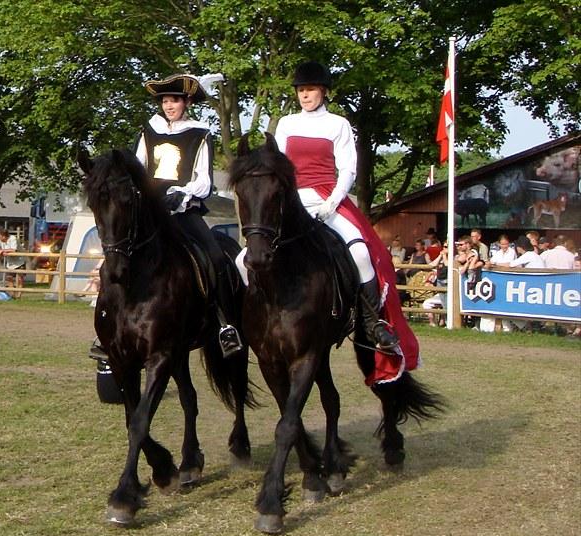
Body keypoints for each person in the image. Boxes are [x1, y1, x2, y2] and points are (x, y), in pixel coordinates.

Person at [99, 72, 242, 359]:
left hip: (183, 211)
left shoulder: (199, 134)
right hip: (151, 214)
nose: (168, 105)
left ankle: (225, 325)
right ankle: (106, 327)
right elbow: (136, 169)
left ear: (186, 102)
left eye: (174, 100)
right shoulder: (148, 131)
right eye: (165, 100)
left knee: (215, 257)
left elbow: (204, 178)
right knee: (116, 257)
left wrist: (183, 192)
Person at [270, 61, 404, 351]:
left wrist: (331, 204)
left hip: (327, 199)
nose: (305, 96)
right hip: (293, 202)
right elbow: (278, 166)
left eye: (311, 90)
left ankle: (372, 322)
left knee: (360, 252)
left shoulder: (338, 124)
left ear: (324, 92)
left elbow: (348, 171)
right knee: (248, 257)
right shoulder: (286, 124)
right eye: (301, 90)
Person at [422, 241, 450, 327]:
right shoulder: (441, 257)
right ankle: (433, 323)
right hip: (440, 283)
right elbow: (432, 265)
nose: (444, 249)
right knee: (428, 303)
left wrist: (445, 255)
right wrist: (440, 255)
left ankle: (447, 324)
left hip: (449, 284)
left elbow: (448, 265)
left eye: (446, 247)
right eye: (444, 247)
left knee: (447, 305)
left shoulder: (454, 257)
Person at [0, 228, 26, 298]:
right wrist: (2, 251)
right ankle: (13, 295)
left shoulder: (13, 238)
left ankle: (19, 296)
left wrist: (2, 251)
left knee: (20, 279)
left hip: (20, 261)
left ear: (4, 236)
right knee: (9, 278)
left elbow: (13, 250)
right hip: (10, 262)